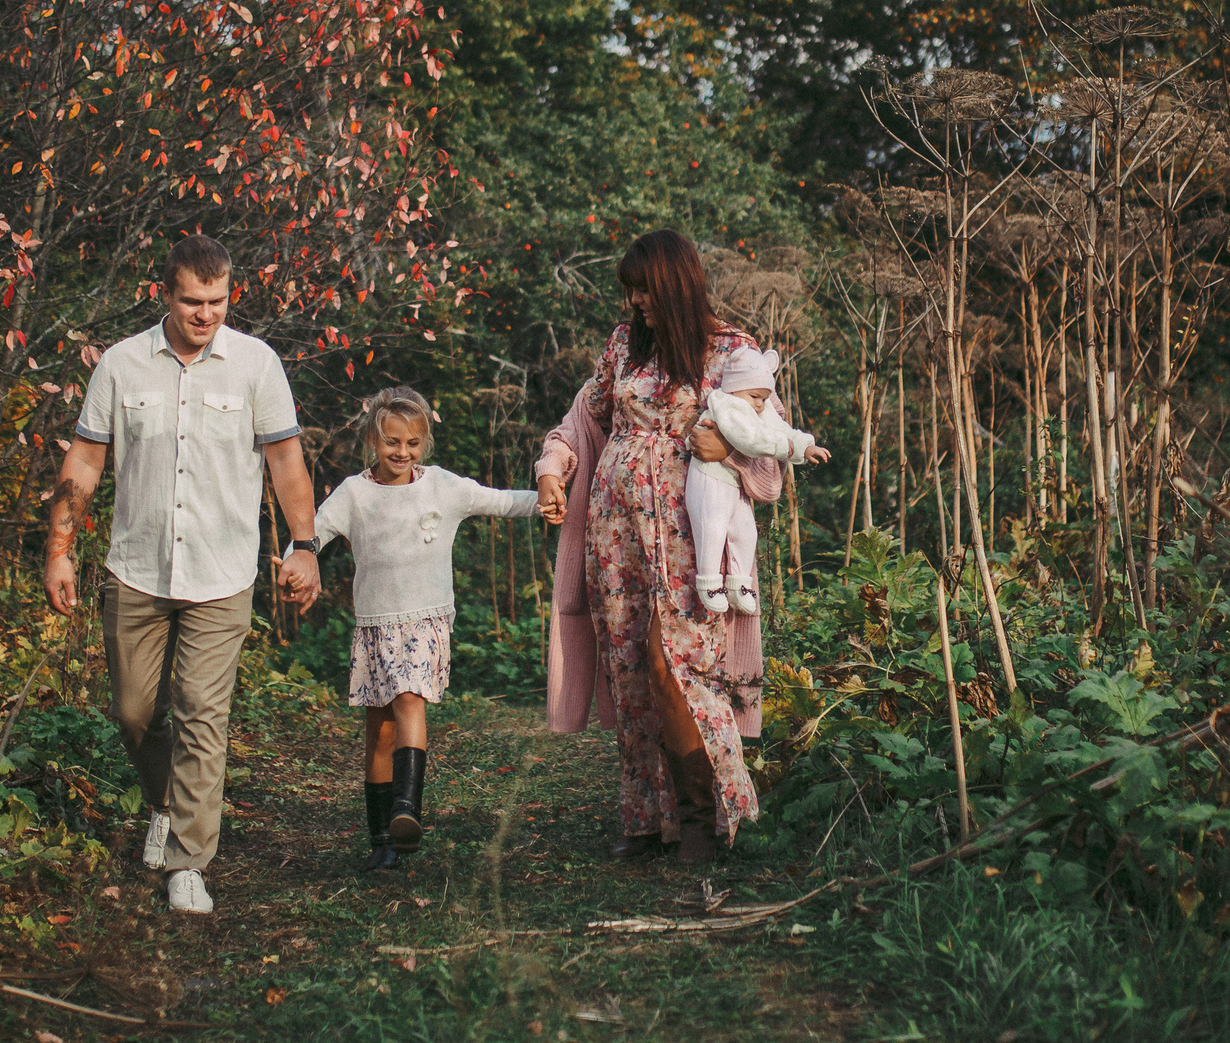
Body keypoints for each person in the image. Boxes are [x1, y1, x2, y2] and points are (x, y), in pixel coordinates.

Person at [44, 234, 322, 914]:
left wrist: (305, 544)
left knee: (203, 712)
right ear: (164, 293)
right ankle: (165, 803)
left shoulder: (256, 364)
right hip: (136, 565)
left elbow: (287, 463)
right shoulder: (121, 365)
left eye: (218, 301)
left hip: (222, 569)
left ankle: (188, 862)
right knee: (134, 711)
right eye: (192, 302)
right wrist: (58, 548)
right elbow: (83, 462)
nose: (206, 315)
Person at [532, 231, 799, 866]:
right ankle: (650, 819)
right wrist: (552, 466)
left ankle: (710, 818)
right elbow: (584, 419)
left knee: (676, 664)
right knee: (628, 671)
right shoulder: (625, 345)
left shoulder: (734, 351)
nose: (636, 300)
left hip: (687, 532)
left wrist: (727, 450)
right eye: (630, 290)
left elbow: (769, 434)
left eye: (644, 288)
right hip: (616, 528)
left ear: (676, 284)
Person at [281, 386, 541, 869]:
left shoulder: (442, 486)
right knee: (378, 731)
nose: (402, 452)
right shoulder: (355, 493)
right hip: (376, 625)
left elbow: (502, 502)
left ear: (424, 444)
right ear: (373, 442)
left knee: (407, 699)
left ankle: (407, 808)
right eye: (391, 443)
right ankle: (383, 839)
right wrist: (298, 563)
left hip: (425, 619)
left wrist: (546, 501)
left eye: (413, 443)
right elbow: (312, 534)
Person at [688, 346, 827, 615]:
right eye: (755, 396)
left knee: (745, 531)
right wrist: (785, 448)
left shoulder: (755, 406)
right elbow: (748, 440)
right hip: (709, 479)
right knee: (712, 525)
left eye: (764, 398)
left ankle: (738, 583)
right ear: (735, 387)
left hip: (733, 482)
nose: (761, 404)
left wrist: (804, 446)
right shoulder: (727, 405)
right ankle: (708, 581)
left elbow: (780, 428)